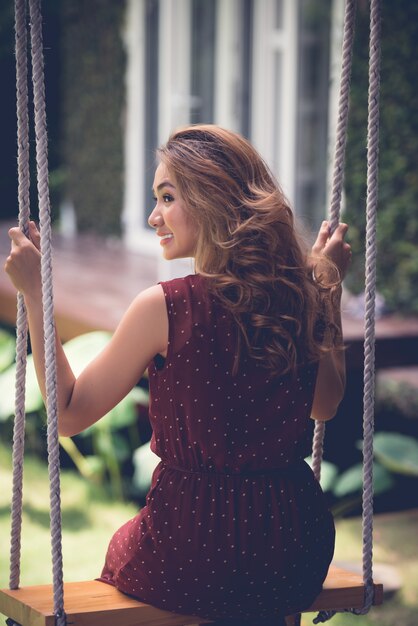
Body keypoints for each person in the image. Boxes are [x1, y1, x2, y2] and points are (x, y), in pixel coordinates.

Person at [5, 125, 351, 625]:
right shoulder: (297, 298)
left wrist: (37, 295)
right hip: (288, 543)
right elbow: (327, 405)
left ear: (211, 199)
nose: (153, 217)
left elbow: (68, 413)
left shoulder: (165, 308)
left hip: (190, 544)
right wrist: (328, 293)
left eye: (167, 197)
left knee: (134, 550)